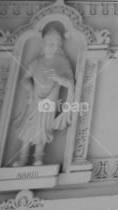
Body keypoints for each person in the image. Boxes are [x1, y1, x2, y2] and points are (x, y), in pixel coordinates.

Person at [12, 25, 75, 167]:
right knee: (28, 128)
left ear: (59, 45)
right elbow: (25, 79)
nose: (51, 46)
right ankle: (23, 158)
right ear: (44, 44)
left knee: (43, 129)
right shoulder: (36, 62)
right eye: (49, 43)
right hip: (35, 100)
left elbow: (71, 82)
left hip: (50, 101)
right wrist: (30, 91)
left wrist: (59, 78)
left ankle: (38, 158)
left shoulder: (62, 62)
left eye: (54, 44)